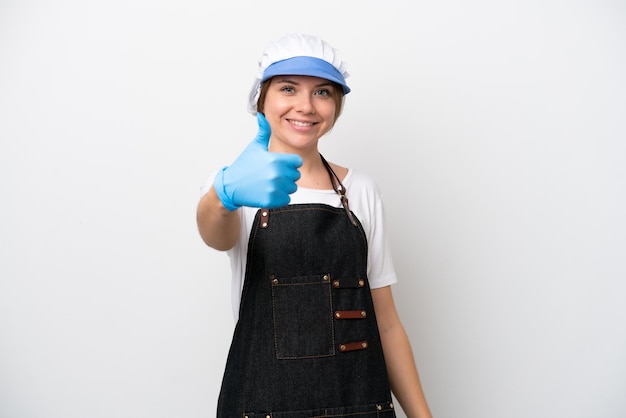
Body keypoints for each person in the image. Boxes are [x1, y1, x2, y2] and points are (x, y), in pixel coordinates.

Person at [197, 32, 432, 418]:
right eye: (288, 88)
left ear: (336, 106)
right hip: (261, 406)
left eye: (322, 92)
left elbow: (386, 325)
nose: (305, 106)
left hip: (359, 404)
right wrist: (223, 195)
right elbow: (215, 236)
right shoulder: (236, 184)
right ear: (262, 100)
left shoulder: (360, 190)